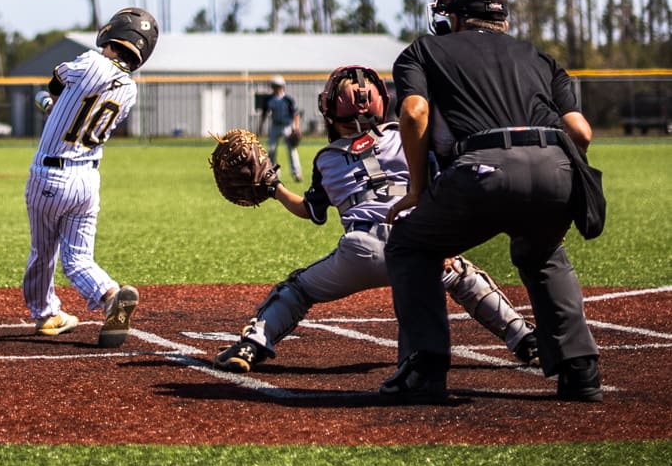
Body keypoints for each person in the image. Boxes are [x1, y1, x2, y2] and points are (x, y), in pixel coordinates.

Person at [214, 65, 537, 373]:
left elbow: (310, 212)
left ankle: (252, 345)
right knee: (464, 278)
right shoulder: (407, 136)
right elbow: (446, 187)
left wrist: (274, 188)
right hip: (418, 244)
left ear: (328, 108)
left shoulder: (326, 158)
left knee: (297, 290)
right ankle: (525, 339)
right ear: (382, 101)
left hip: (359, 249)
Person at [382, 0, 602, 403]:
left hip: (481, 166)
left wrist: (416, 190)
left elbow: (413, 112)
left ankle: (424, 367)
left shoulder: (424, 50)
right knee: (542, 251)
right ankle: (579, 369)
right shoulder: (541, 57)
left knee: (411, 245)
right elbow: (581, 131)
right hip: (557, 164)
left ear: (457, 19)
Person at [22, 7, 156, 346]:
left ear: (113, 34)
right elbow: (86, 110)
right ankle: (110, 295)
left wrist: (51, 103)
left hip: (50, 176)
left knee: (43, 253)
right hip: (88, 180)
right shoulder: (130, 89)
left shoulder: (91, 61)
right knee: (79, 258)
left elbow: (57, 79)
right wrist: (60, 107)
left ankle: (46, 313)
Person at [259, 76, 303, 182]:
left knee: (291, 150)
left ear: (282, 87)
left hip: (287, 126)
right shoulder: (269, 99)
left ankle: (296, 173)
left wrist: (296, 128)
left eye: (278, 86)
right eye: (274, 86)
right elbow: (264, 114)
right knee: (272, 150)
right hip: (275, 126)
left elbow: (296, 114)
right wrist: (260, 127)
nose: (275, 88)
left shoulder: (288, 100)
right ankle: (274, 174)